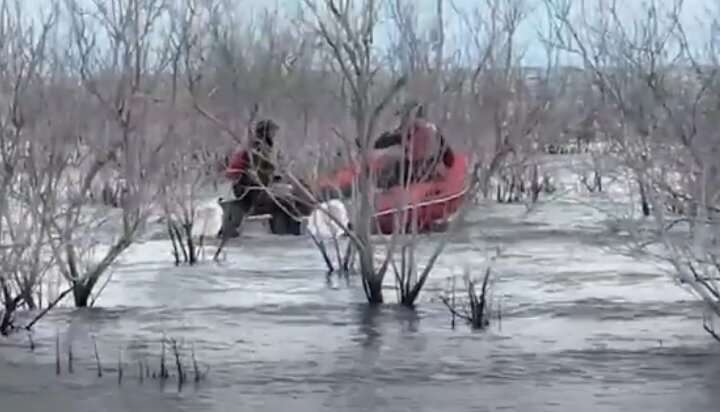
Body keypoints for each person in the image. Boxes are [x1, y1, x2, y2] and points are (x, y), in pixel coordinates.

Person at [373, 103, 454, 189]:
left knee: (393, 170)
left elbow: (387, 140)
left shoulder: (409, 131)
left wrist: (372, 144)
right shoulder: (435, 131)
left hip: (414, 172)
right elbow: (449, 157)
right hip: (428, 169)